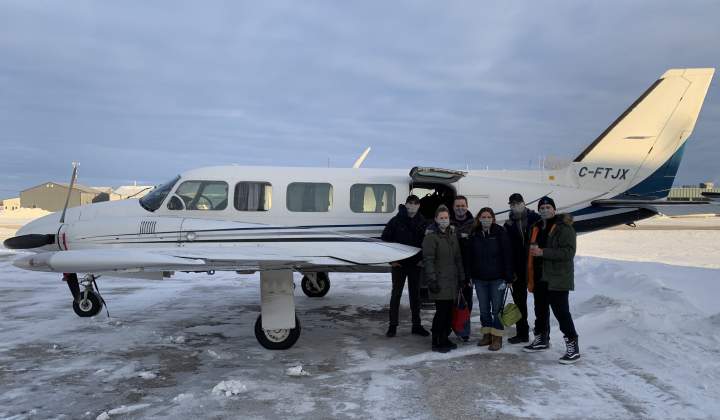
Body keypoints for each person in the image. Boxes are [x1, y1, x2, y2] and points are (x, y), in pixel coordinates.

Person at [523, 196, 581, 364]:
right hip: (539, 276)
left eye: (548, 207)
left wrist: (543, 252)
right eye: (542, 208)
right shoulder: (536, 227)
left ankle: (573, 346)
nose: (545, 210)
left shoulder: (564, 227)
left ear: (554, 209)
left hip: (557, 277)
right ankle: (542, 339)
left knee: (561, 313)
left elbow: (568, 252)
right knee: (540, 310)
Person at [381, 195, 430, 338]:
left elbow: (428, 243)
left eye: (415, 203)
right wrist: (391, 261)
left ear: (419, 206)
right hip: (399, 265)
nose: (412, 206)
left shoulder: (424, 222)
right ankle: (392, 326)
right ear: (406, 204)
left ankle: (416, 325)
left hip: (416, 264)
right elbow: (385, 240)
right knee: (396, 295)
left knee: (415, 296)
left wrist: (423, 260)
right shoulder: (396, 221)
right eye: (410, 203)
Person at [466, 207, 513, 351]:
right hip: (480, 279)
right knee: (484, 309)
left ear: (493, 218)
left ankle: (497, 337)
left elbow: (507, 255)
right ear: (479, 219)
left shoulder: (500, 232)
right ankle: (487, 334)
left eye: (488, 217)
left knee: (496, 309)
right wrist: (469, 275)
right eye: (483, 217)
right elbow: (469, 257)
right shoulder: (474, 234)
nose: (486, 219)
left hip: (497, 279)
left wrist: (509, 277)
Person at [422, 205, 465, 353]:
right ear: (436, 219)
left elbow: (458, 258)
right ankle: (436, 340)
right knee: (441, 312)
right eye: (441, 218)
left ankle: (444, 337)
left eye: (446, 218)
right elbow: (428, 260)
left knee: (448, 312)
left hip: (452, 281)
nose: (444, 220)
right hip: (439, 281)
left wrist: (462, 277)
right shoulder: (431, 237)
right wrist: (432, 280)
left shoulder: (452, 235)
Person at [503, 193, 541, 344]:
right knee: (519, 303)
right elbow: (507, 250)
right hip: (518, 269)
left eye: (518, 203)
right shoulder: (508, 224)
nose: (515, 206)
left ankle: (542, 335)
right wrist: (509, 271)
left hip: (535, 266)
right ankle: (522, 333)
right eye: (512, 204)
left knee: (540, 303)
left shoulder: (535, 219)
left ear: (524, 203)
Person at [450, 195, 475, 342]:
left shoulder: (474, 224)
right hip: (450, 268)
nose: (460, 208)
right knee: (449, 300)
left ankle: (464, 329)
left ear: (467, 206)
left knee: (466, 300)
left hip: (467, 269)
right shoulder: (447, 221)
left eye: (462, 205)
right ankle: (448, 327)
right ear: (453, 207)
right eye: (457, 206)